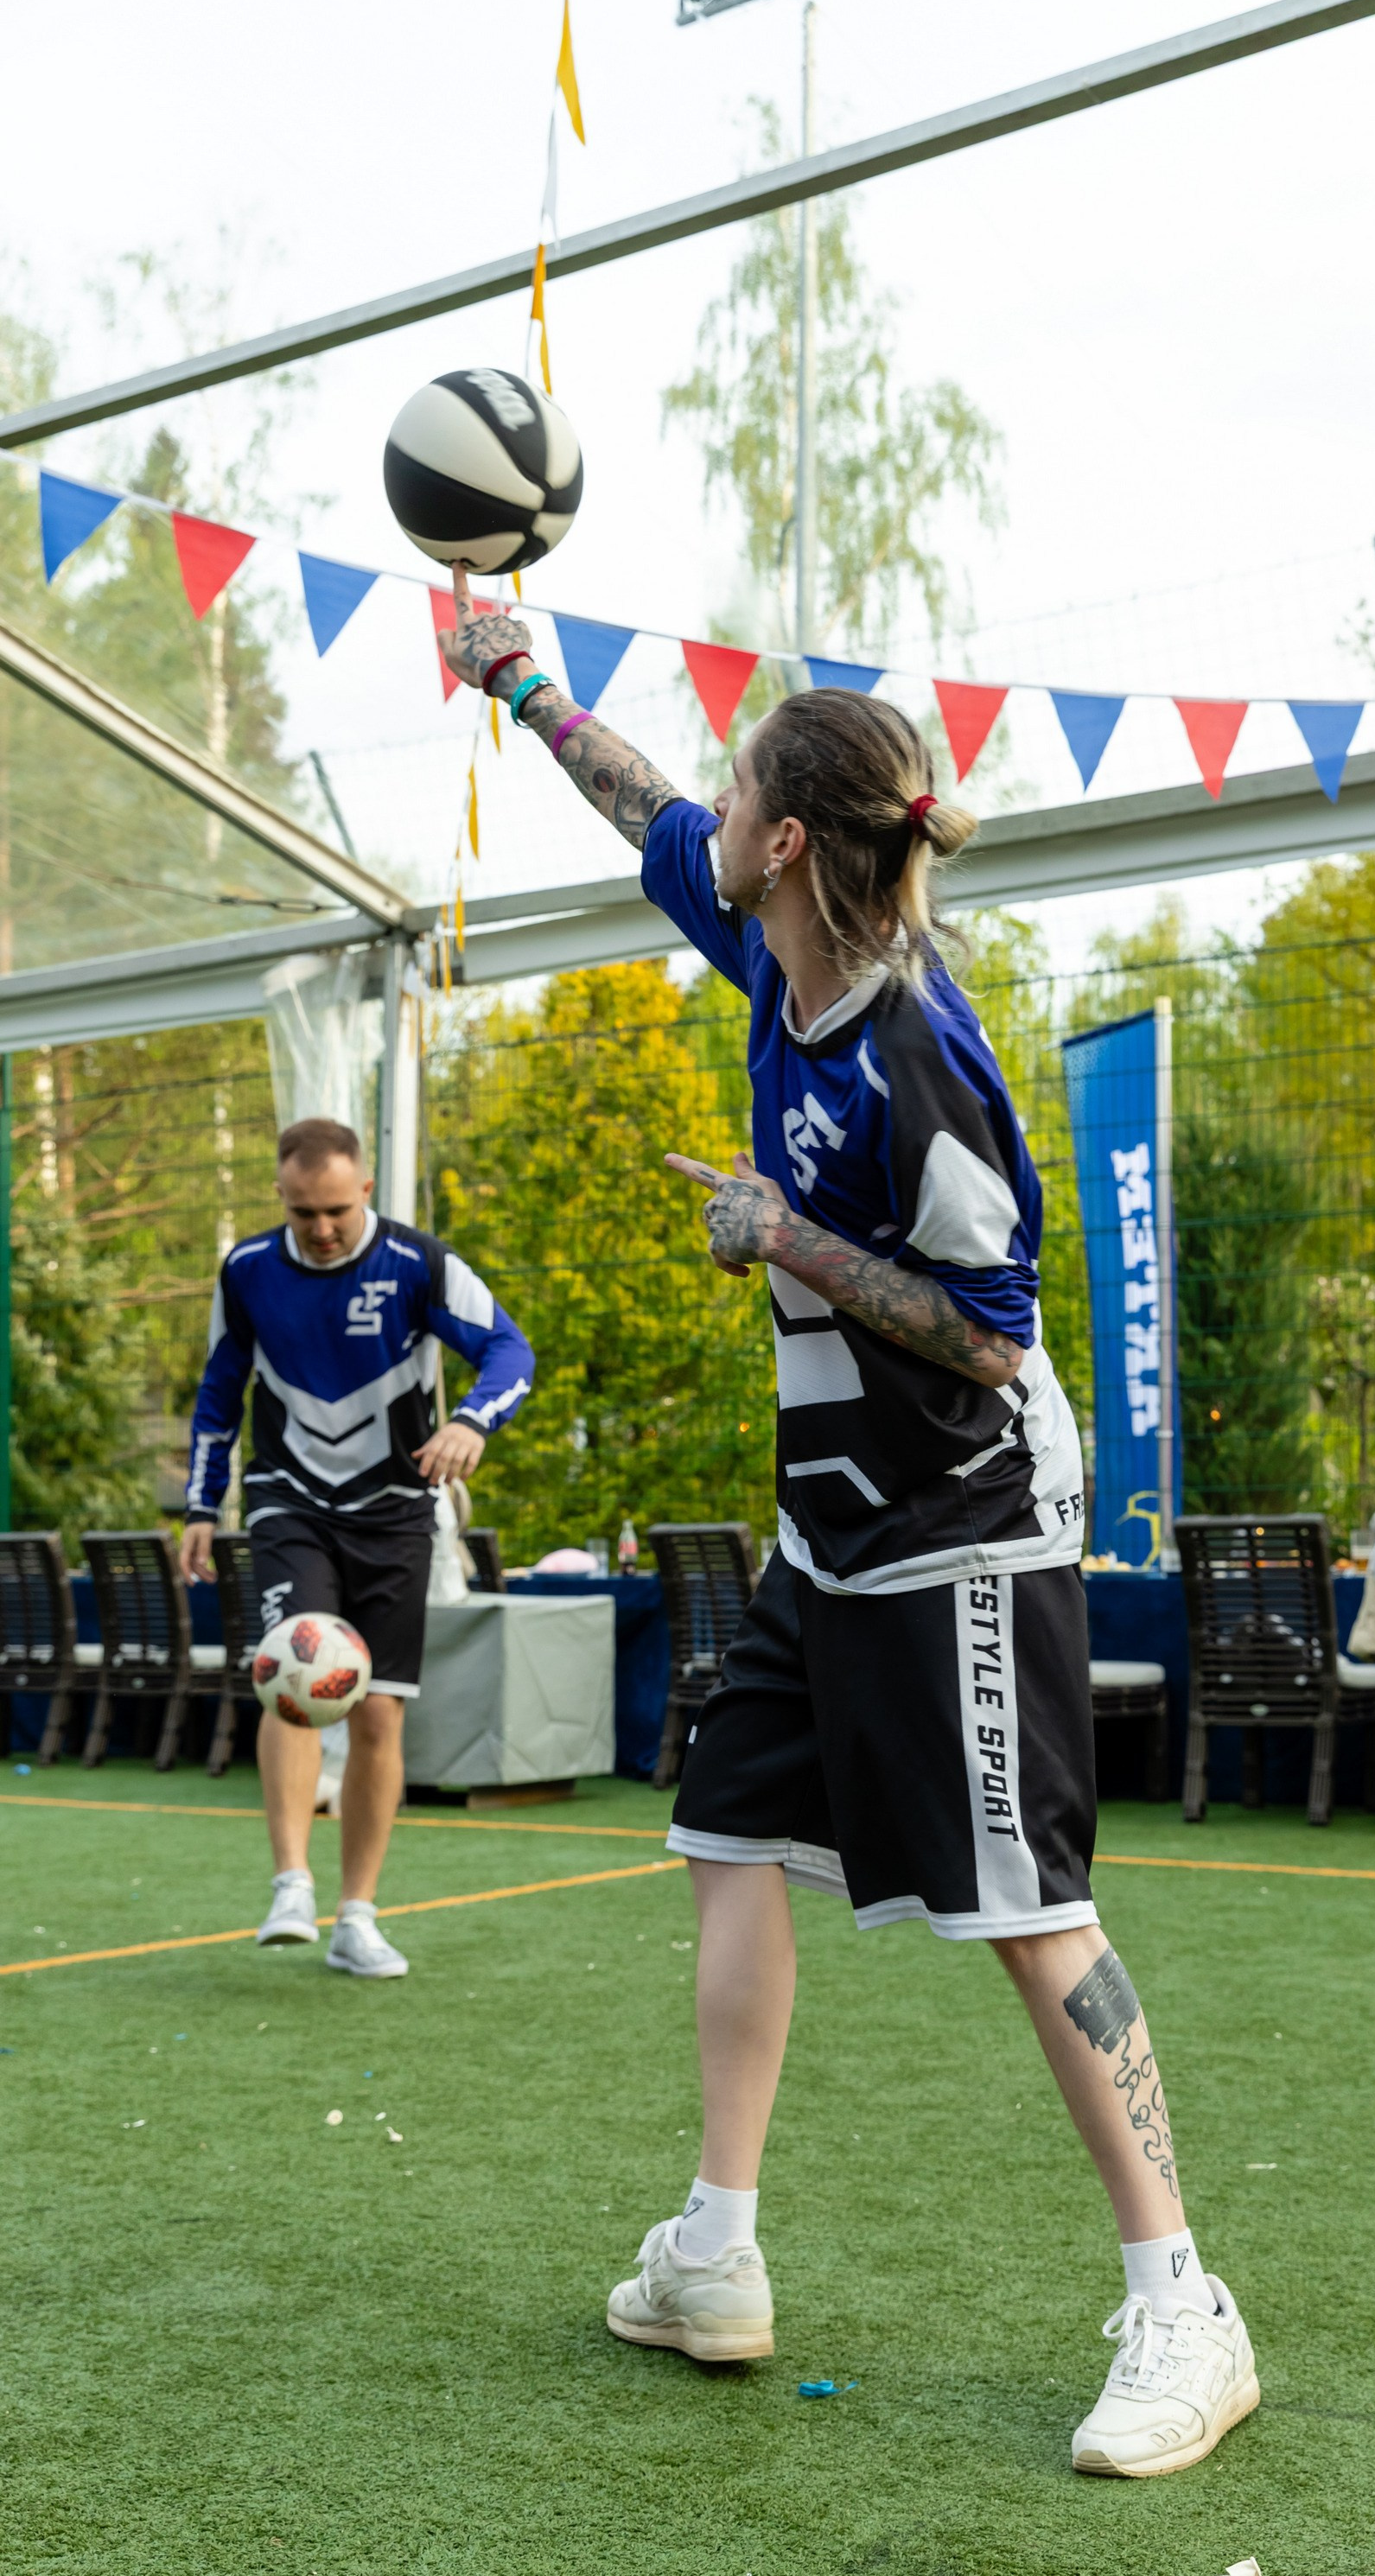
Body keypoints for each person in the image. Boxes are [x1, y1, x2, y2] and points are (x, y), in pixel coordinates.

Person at [440, 572, 1258, 2479]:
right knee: (726, 1834)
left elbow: (990, 1336)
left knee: (1030, 1916)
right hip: (830, 1533)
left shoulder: (920, 1059)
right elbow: (638, 800)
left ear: (793, 841)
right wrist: (519, 683)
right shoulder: (769, 955)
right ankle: (715, 2251)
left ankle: (1185, 2307)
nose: (711, 815)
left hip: (965, 1527)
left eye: (740, 794)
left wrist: (788, 1237)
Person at [180, 1116, 535, 1974]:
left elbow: (509, 1349)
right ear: (279, 1196)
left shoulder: (418, 1264)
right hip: (289, 1500)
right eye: (303, 1212)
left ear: (365, 1190)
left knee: (377, 1710)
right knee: (293, 1678)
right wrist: (200, 1505)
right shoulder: (247, 1270)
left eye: (337, 1210)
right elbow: (219, 1390)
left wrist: (471, 1420)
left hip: (395, 1509)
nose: (323, 1229)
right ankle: (290, 1884)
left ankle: (357, 1918)